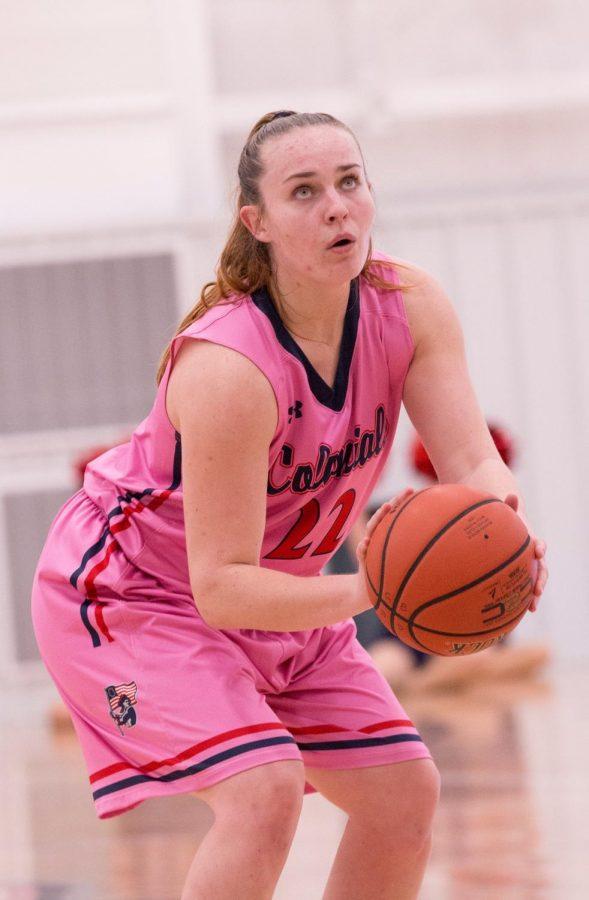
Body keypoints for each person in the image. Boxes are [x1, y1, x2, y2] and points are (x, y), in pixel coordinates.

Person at [31, 110, 548, 900]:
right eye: (303, 192)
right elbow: (220, 586)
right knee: (261, 791)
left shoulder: (409, 305)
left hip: (280, 591)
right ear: (258, 222)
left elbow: (473, 461)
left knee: (402, 795)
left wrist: (500, 534)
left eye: (348, 182)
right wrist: (374, 591)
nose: (335, 206)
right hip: (131, 598)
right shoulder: (230, 368)